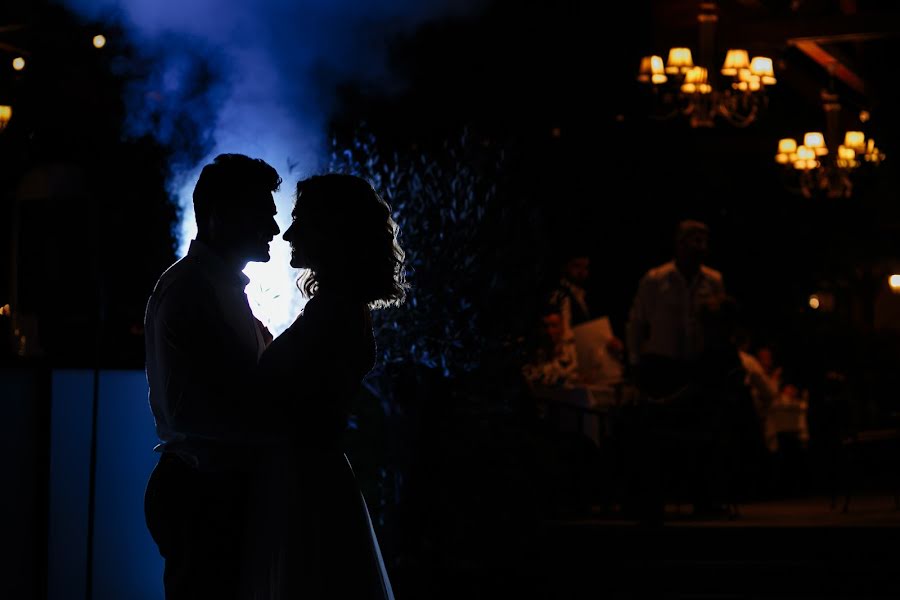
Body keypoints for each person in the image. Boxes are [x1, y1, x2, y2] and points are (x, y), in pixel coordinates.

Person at [248, 174, 404, 599]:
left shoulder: (334, 311)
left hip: (303, 485)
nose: (289, 233)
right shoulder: (337, 306)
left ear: (334, 231)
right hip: (311, 476)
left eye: (302, 220)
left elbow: (280, 396)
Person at [143, 154, 282, 599]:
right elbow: (194, 412)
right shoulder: (192, 291)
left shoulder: (212, 287)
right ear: (221, 217)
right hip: (202, 496)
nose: (275, 231)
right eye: (264, 216)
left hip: (209, 491)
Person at [625, 219, 726, 397]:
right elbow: (637, 322)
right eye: (696, 240)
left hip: (698, 367)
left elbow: (719, 324)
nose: (701, 247)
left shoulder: (713, 281)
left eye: (704, 241)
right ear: (680, 243)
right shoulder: (656, 280)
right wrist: (635, 362)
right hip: (662, 367)